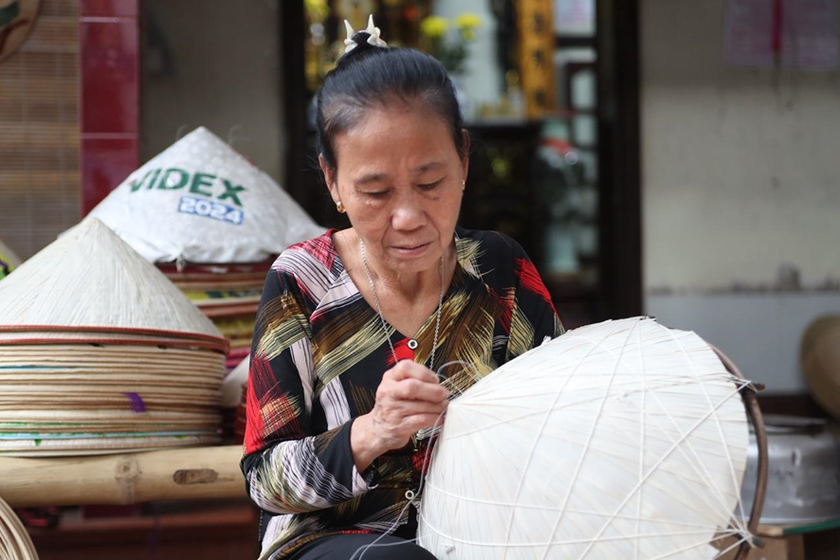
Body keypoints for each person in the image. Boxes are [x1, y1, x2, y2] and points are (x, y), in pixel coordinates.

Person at [241, 17, 563, 560]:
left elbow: (564, 422)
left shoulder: (500, 270)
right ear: (332, 181)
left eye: (430, 183)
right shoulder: (302, 282)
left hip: (489, 536)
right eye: (375, 192)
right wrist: (371, 432)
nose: (409, 216)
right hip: (336, 541)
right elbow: (263, 480)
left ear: (463, 159)